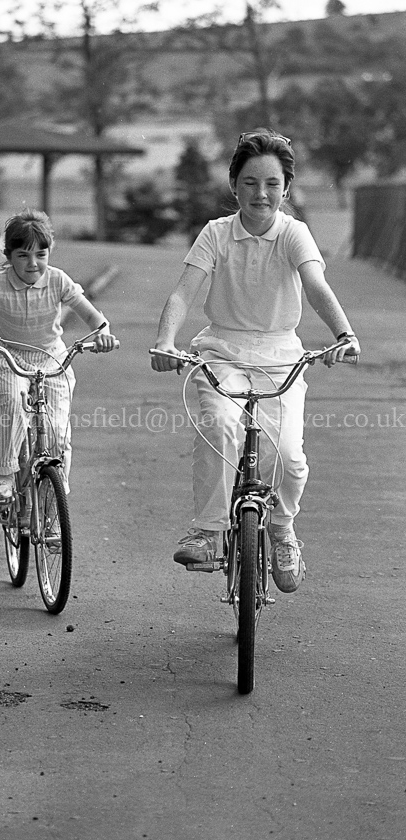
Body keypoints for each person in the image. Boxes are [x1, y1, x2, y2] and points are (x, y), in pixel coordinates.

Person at [151, 129, 360, 594]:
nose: (260, 193)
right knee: (219, 422)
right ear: (233, 185)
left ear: (286, 188)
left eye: (271, 183)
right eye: (249, 182)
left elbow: (315, 286)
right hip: (222, 351)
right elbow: (184, 292)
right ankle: (208, 530)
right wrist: (166, 341)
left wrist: (343, 334)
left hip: (281, 355)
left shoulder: (294, 233)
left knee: (287, 455)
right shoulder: (217, 233)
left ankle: (283, 530)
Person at [0, 208, 117, 501]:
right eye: (23, 255)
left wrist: (103, 333)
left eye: (41, 255)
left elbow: (94, 318)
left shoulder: (58, 280)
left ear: (49, 253)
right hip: (10, 356)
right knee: (13, 405)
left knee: (56, 430)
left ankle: (55, 502)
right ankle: (4, 476)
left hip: (52, 358)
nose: (33, 263)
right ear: (8, 255)